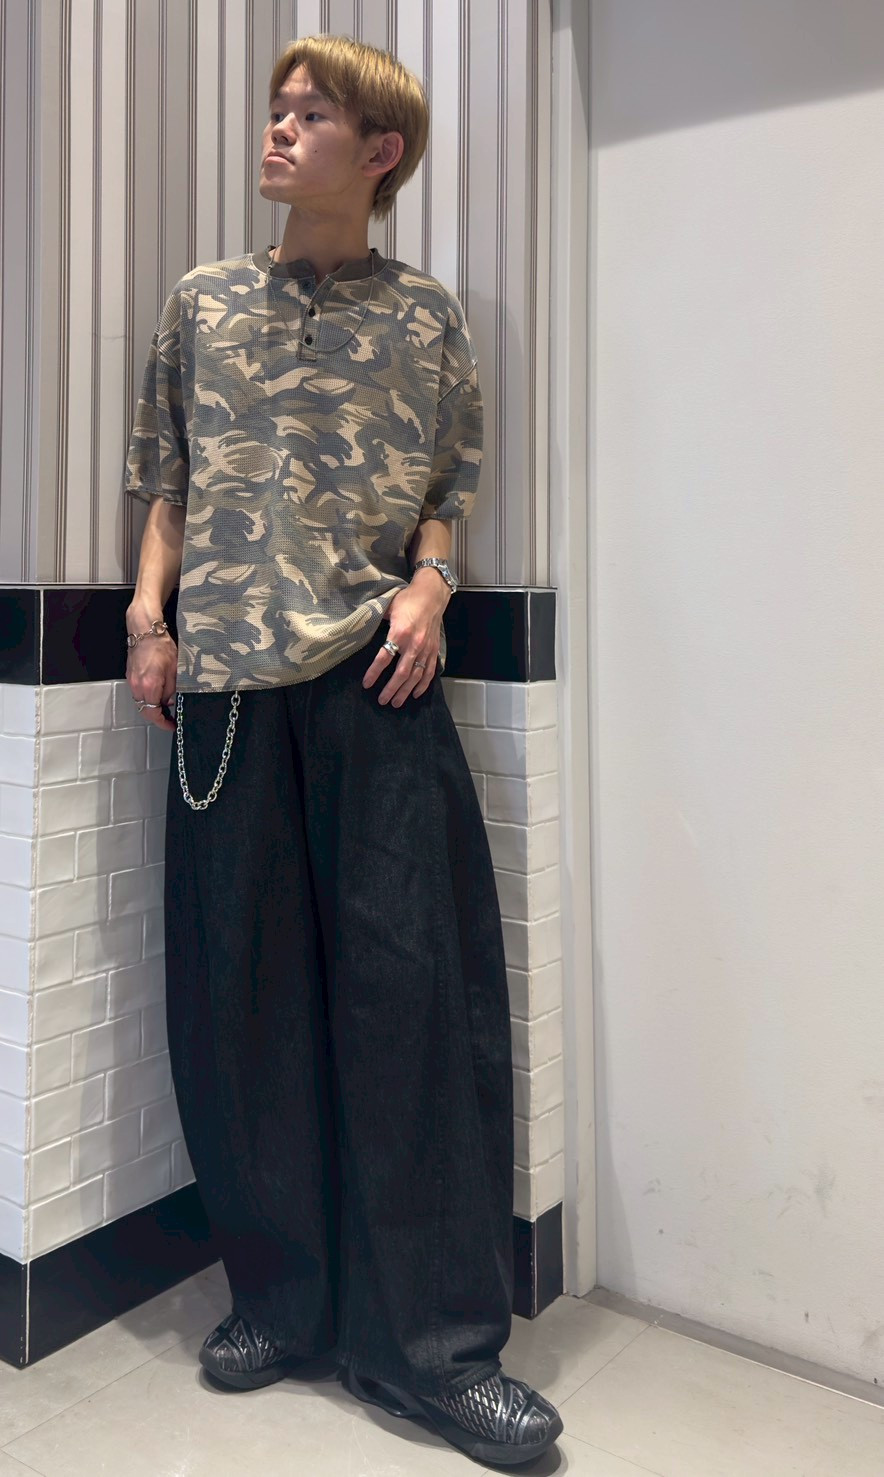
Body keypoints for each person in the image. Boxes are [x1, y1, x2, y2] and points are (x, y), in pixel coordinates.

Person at [121, 33, 563, 1468]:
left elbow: (446, 493)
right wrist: (147, 618)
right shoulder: (202, 303)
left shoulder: (427, 319)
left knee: (410, 1000)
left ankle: (435, 1349)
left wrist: (432, 584)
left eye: (310, 114)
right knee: (241, 1002)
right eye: (277, 108)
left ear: (381, 154)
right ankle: (281, 1302)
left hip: (377, 677)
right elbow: (170, 483)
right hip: (228, 691)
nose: (278, 128)